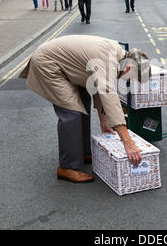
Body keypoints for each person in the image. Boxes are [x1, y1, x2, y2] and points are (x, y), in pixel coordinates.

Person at [18, 36, 147, 182]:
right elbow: (109, 95)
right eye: (132, 78)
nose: (129, 81)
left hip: (67, 67)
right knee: (72, 112)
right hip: (48, 65)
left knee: (83, 104)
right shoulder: (108, 61)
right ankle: (67, 167)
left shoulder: (117, 55)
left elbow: (99, 89)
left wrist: (104, 122)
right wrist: (128, 143)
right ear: (129, 67)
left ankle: (83, 152)